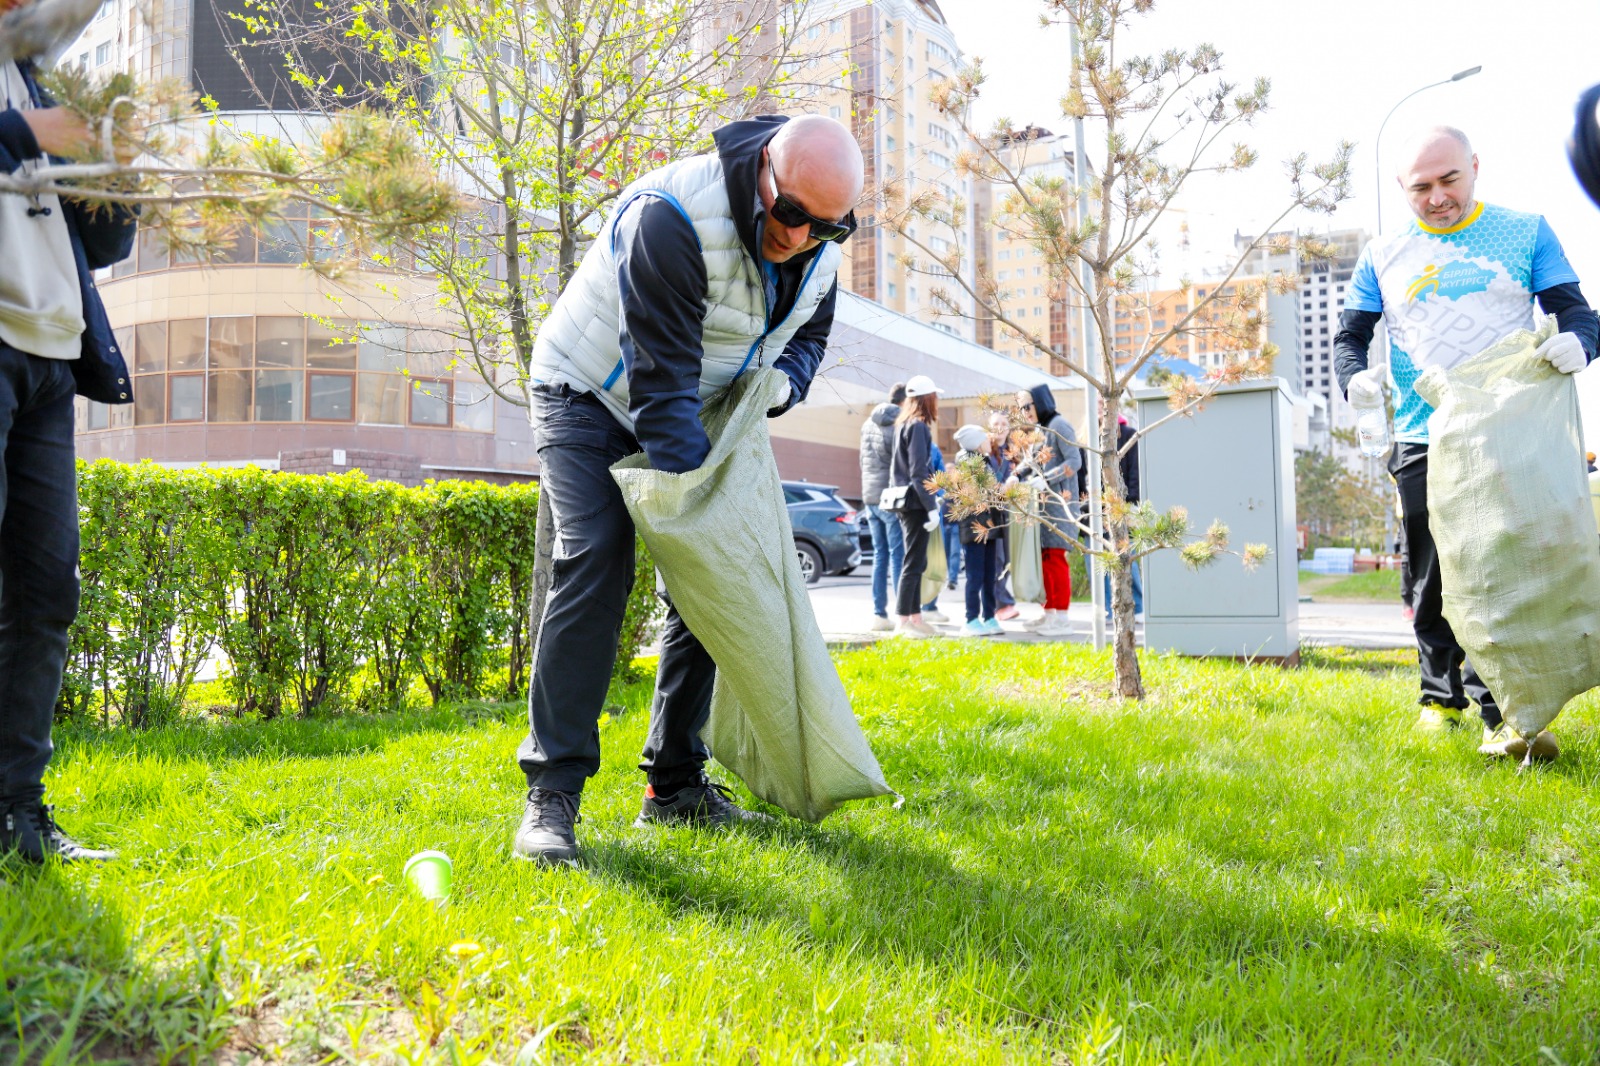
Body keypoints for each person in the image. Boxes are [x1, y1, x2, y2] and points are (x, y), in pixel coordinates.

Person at [513, 114, 863, 863]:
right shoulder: (670, 218)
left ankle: (673, 789)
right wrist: (699, 520)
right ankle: (552, 797)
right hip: (588, 394)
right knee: (597, 561)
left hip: (695, 405)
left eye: (826, 228)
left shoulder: (822, 252)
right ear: (764, 170)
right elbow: (660, 386)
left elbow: (807, 338)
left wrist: (780, 389)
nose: (800, 237)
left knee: (712, 577)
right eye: (792, 213)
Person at [1336, 125, 1598, 762]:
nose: (1437, 197)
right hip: (1424, 431)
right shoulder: (1383, 253)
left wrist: (1582, 346)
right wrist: (1355, 382)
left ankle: (1500, 711)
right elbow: (1349, 339)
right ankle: (1438, 697)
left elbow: (1579, 314)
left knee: (1499, 568)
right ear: (1402, 189)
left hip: (1508, 428)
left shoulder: (1526, 230)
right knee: (1431, 571)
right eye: (1420, 187)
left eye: (1449, 179)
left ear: (1475, 167)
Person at [0, 37, 136, 862]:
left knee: (47, 591)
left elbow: (106, 246)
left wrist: (119, 178)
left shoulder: (30, 72)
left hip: (52, 352)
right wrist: (27, 131)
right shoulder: (26, 103)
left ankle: (18, 817)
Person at [1014, 384, 1082, 638]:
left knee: (1055, 559)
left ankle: (1062, 618)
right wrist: (1016, 474)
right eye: (1021, 408)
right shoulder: (1042, 429)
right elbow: (1030, 460)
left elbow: (1075, 461)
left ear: (1040, 402)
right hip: (1043, 505)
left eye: (1027, 407)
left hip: (1060, 504)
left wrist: (1048, 479)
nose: (1024, 412)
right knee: (1045, 560)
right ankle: (1050, 613)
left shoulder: (1059, 425)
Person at [889, 375, 942, 638]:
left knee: (915, 560)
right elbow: (918, 471)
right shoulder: (919, 427)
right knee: (913, 562)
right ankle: (903, 620)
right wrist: (931, 506)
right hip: (916, 503)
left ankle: (914, 618)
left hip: (906, 502)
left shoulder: (902, 424)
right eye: (935, 396)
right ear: (927, 399)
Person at [858, 382, 906, 632]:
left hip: (869, 497)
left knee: (880, 556)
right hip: (890, 498)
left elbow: (862, 462)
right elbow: (898, 463)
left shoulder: (867, 424)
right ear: (904, 401)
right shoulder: (898, 423)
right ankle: (902, 614)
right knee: (898, 555)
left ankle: (879, 614)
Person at [952, 424, 1004, 637]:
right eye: (984, 438)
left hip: (988, 524)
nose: (988, 442)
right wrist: (1002, 490)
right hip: (975, 527)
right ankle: (971, 618)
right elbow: (986, 491)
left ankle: (989, 616)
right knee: (975, 575)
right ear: (975, 442)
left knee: (990, 573)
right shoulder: (968, 462)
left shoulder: (983, 460)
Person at [1101, 407, 1144, 623]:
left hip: (1123, 505)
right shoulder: (1091, 435)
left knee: (1127, 557)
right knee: (1105, 559)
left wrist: (1129, 500)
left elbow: (1135, 470)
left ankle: (1137, 606)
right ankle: (1111, 607)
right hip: (1100, 508)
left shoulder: (1127, 434)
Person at [988, 410, 1020, 621]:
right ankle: (1002, 604)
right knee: (997, 559)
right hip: (992, 513)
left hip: (1011, 511)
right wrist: (1001, 488)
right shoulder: (986, 452)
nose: (1000, 427)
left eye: (1004, 423)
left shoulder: (1013, 453)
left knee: (1009, 558)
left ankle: (1001, 602)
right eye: (995, 423)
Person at [919, 440, 950, 623]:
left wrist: (938, 498)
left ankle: (916, 607)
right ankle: (925, 607)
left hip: (911, 507)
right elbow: (941, 478)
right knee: (932, 557)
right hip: (924, 508)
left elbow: (941, 479)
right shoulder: (929, 445)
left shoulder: (931, 446)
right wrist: (937, 499)